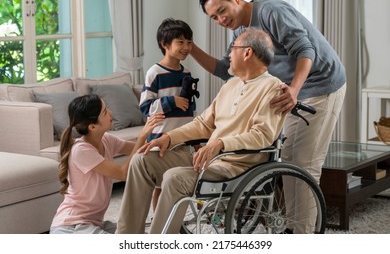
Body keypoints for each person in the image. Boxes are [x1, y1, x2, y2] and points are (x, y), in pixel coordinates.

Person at [191, 0, 347, 233]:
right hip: (288, 90)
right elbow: (225, 70)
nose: (220, 19)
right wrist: (190, 48)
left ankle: (304, 235)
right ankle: (297, 227)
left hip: (320, 84)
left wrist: (294, 90)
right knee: (286, 160)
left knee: (303, 163)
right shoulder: (239, 31)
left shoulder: (271, 12)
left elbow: (306, 50)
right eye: (213, 18)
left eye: (221, 11)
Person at [116, 28, 286, 234]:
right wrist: (169, 138)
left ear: (247, 53)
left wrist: (220, 144)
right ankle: (126, 237)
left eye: (232, 49)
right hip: (207, 161)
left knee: (174, 177)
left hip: (236, 168)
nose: (229, 55)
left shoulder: (273, 88)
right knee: (141, 160)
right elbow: (203, 124)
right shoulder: (230, 85)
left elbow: (262, 135)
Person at [50, 94, 164, 234]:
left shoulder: (106, 140)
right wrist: (142, 136)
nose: (110, 112)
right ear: (92, 127)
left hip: (94, 223)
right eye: (104, 112)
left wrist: (167, 138)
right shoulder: (81, 150)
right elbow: (123, 173)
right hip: (71, 226)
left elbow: (139, 148)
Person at [140, 18, 197, 210]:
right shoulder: (154, 73)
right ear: (165, 44)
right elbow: (146, 107)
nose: (186, 47)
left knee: (176, 182)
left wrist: (195, 136)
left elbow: (189, 108)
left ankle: (173, 221)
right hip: (160, 140)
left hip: (182, 140)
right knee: (160, 184)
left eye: (189, 42)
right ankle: (159, 222)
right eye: (180, 42)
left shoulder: (187, 72)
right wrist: (171, 101)